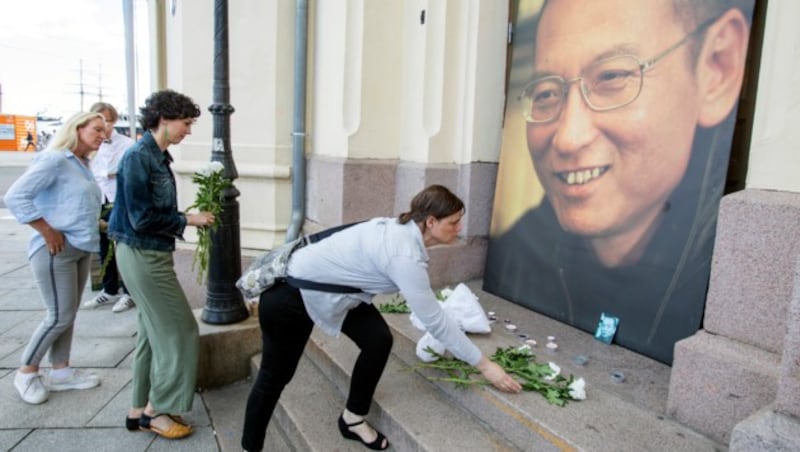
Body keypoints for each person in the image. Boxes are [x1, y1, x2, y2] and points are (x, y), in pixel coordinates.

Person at [484, 0, 753, 364]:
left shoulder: (730, 286)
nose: (568, 138)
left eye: (612, 77)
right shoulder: (516, 254)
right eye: (547, 93)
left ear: (717, 67)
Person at [241, 184, 522, 452]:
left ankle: (352, 418)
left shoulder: (401, 228)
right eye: (454, 222)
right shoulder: (404, 255)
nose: (459, 228)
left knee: (378, 339)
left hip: (331, 290)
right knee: (273, 378)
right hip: (289, 299)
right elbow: (436, 322)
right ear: (431, 222)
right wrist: (485, 365)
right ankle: (251, 447)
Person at [107, 89, 214, 439]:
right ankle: (157, 410)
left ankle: (138, 410)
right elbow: (141, 218)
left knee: (152, 336)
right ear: (164, 119)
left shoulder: (155, 155)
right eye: (186, 123)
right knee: (181, 331)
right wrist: (188, 220)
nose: (189, 130)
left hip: (146, 253)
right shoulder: (140, 156)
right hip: (143, 255)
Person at [3, 112, 106, 404]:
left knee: (67, 315)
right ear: (77, 127)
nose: (103, 135)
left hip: (80, 247)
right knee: (58, 315)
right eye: (97, 129)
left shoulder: (82, 164)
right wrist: (47, 230)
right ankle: (26, 372)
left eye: (104, 131)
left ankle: (61, 372)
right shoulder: (55, 160)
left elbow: (73, 205)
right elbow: (15, 196)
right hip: (56, 250)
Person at [82, 102, 136, 313]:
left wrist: (111, 173)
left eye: (108, 121)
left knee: (122, 246)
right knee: (104, 247)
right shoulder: (90, 146)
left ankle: (129, 292)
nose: (104, 127)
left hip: (119, 200)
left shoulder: (127, 143)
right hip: (100, 200)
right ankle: (109, 288)